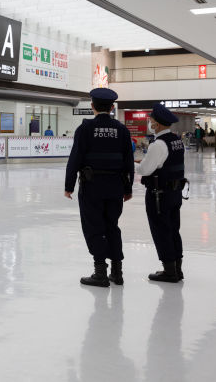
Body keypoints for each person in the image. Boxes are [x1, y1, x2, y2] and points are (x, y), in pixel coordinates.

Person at [65, 88, 134, 287]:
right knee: (112, 225)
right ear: (112, 108)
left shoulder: (85, 128)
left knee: (94, 226)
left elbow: (75, 158)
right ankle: (117, 272)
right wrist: (128, 188)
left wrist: (69, 185)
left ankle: (100, 273)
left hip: (92, 187)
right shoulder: (122, 130)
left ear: (92, 106)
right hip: (115, 187)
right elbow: (128, 161)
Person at [135, 103, 187, 283]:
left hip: (159, 194)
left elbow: (145, 170)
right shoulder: (176, 140)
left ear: (157, 124)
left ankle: (169, 271)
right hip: (175, 192)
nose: (150, 123)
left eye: (151, 120)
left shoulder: (158, 144)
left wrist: (131, 165)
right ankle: (177, 268)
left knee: (161, 230)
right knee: (173, 229)